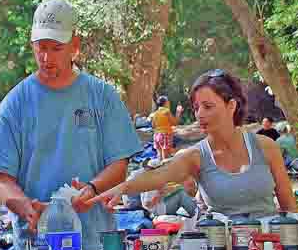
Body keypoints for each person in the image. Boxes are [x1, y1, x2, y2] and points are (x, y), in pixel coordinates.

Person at [0, 0, 142, 250]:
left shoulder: (102, 96)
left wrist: (93, 189)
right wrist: (25, 207)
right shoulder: (15, 103)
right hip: (35, 249)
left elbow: (119, 164)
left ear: (75, 46)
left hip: (94, 247)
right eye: (41, 48)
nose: (46, 57)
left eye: (56, 48)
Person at [91, 68, 296, 219]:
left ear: (231, 105)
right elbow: (159, 174)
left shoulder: (266, 146)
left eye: (208, 106)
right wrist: (122, 187)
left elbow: (289, 207)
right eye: (197, 107)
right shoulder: (196, 156)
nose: (200, 114)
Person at [151, 95, 183, 160]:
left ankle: (159, 169)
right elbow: (175, 123)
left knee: (159, 156)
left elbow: (153, 125)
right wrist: (178, 112)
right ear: (166, 103)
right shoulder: (166, 111)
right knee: (166, 157)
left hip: (156, 135)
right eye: (168, 102)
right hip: (165, 135)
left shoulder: (155, 113)